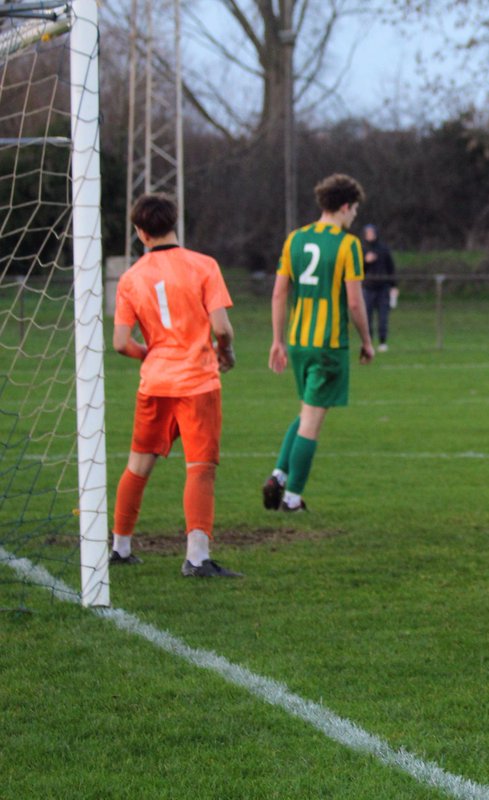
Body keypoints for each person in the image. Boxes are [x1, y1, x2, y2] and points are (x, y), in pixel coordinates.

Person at [110, 192, 240, 578]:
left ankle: (120, 547)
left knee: (138, 465)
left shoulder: (130, 278)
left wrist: (149, 355)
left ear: (140, 232)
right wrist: (225, 352)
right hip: (197, 383)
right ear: (174, 223)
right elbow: (222, 328)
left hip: (155, 383)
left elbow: (120, 342)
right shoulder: (204, 265)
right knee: (200, 467)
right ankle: (197, 558)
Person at [262, 174, 374, 513]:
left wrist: (277, 340)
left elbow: (279, 293)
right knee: (312, 421)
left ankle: (279, 476)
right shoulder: (348, 245)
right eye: (354, 209)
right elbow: (354, 302)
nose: (355, 215)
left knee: (307, 411)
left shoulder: (295, 239)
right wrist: (367, 340)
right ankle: (292, 499)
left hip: (298, 341)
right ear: (344, 207)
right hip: (328, 344)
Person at [360, 223, 397, 353]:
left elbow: (391, 268)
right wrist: (366, 261)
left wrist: (393, 286)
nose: (370, 235)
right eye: (368, 233)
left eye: (372, 233)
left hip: (383, 288)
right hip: (368, 288)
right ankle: (368, 342)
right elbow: (358, 270)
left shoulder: (383, 249)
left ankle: (382, 341)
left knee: (383, 317)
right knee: (367, 317)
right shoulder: (362, 249)